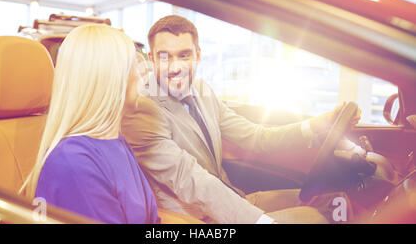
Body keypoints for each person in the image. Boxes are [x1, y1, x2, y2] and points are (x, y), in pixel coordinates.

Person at [121, 15, 360, 224]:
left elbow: (256, 137)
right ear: (151, 58)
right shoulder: (143, 107)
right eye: (164, 57)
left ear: (198, 55)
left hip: (233, 198)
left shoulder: (202, 90)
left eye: (184, 55)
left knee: (334, 201)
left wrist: (315, 125)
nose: (175, 67)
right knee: (314, 218)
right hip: (194, 218)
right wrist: (260, 221)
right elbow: (190, 178)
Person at [21, 24, 158, 224]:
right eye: (133, 66)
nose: (141, 75)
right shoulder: (73, 162)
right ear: (111, 79)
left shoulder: (117, 142)